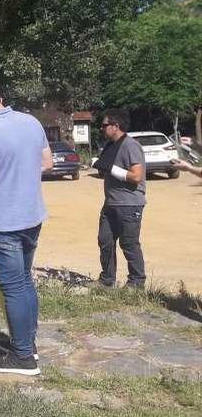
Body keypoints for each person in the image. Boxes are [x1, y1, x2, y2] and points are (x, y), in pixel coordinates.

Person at [0, 78, 52, 376]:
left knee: (14, 287)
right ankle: (27, 345)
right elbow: (47, 163)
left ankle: (22, 358)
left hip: (4, 222)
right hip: (32, 216)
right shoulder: (31, 122)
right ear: (1, 98)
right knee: (25, 282)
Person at [92, 109, 147, 289]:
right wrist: (102, 168)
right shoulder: (110, 146)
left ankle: (136, 283)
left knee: (129, 244)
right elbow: (107, 170)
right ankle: (107, 281)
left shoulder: (131, 146)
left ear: (116, 126)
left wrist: (111, 169)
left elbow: (136, 176)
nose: (102, 128)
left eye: (105, 125)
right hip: (111, 203)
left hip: (129, 204)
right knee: (105, 241)